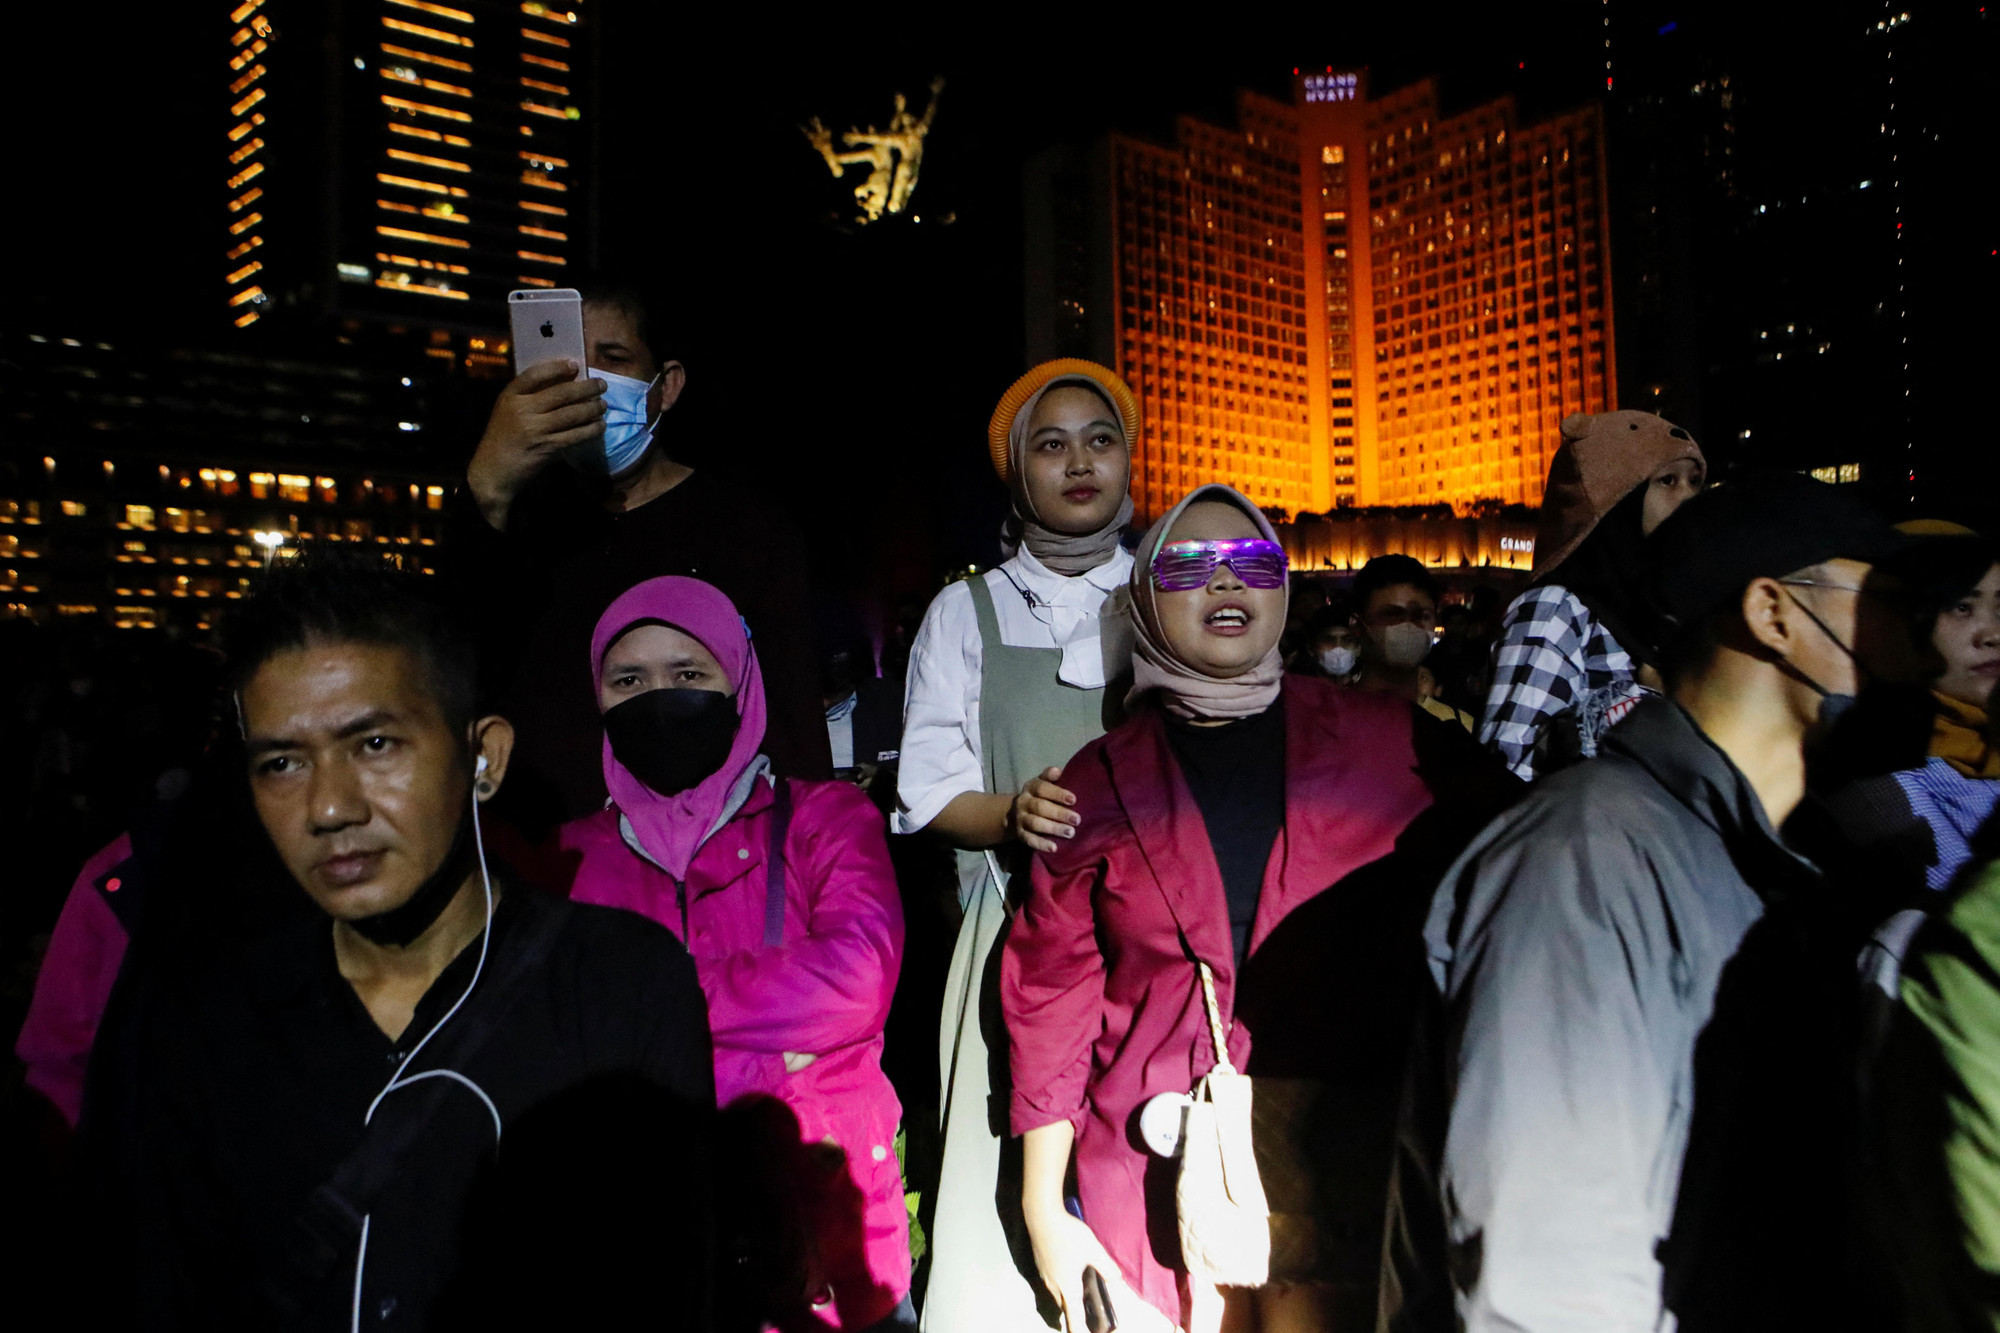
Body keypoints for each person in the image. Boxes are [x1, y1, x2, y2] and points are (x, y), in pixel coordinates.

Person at [97, 560, 715, 1330]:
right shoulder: (206, 1024)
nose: (328, 806)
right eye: (282, 762)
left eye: (376, 743)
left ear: (483, 756)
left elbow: (672, 1290)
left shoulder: (623, 986)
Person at [1400, 473, 1929, 1333]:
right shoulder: (1588, 861)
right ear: (1775, 614)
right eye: (1894, 606)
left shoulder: (1774, 863)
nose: (1925, 649)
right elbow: (1551, 1286)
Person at [1004, 485, 1514, 1333]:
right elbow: (1050, 1001)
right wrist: (1043, 1209)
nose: (1226, 582)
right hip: (1148, 1176)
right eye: (1190, 564)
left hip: (1344, 1158)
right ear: (1145, 599)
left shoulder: (1395, 743)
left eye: (1252, 562)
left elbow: (1520, 862)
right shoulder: (1092, 785)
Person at [555, 575, 911, 1330]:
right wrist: (777, 1042)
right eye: (629, 680)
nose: (660, 696)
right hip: (648, 1248)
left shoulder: (826, 819)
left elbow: (858, 976)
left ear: (738, 680)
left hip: (833, 1254)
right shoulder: (570, 857)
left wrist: (654, 999)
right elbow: (560, 1023)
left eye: (689, 674)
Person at [896, 359, 1141, 1330]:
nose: (1078, 461)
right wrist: (1008, 814)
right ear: (1015, 473)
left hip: (1157, 939)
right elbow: (925, 793)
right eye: (1051, 443)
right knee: (1002, 1200)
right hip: (1011, 937)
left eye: (1099, 438)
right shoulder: (969, 611)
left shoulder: (1169, 592)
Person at [446, 276, 829, 832]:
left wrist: (816, 847)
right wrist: (489, 485)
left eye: (614, 358)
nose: (588, 381)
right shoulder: (516, 523)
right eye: (569, 360)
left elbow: (793, 712)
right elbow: (454, 660)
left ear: (666, 386)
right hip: (545, 851)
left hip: (706, 852)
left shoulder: (744, 526)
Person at [1479, 410, 1705, 779]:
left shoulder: (1676, 610)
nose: (1689, 498)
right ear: (1617, 497)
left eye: (1695, 482)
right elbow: (1510, 768)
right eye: (1667, 481)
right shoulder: (1556, 609)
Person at [1348, 554, 1475, 730]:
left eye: (1421, 616)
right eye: (1392, 614)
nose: (1408, 626)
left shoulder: (1458, 726)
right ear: (1357, 625)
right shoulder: (1328, 720)